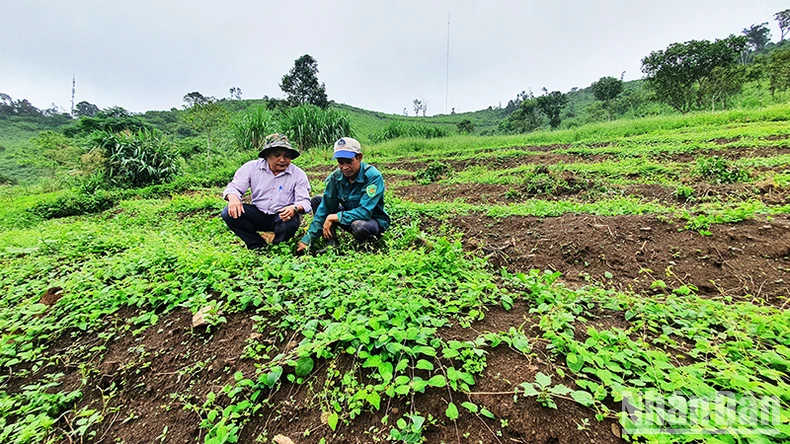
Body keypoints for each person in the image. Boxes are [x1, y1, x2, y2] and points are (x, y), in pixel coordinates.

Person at [296, 137, 390, 253]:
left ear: (359, 157)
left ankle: (366, 247)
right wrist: (308, 239)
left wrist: (335, 217)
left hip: (371, 221)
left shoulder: (372, 177)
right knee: (317, 201)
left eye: (349, 161)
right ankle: (332, 245)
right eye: (341, 162)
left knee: (359, 226)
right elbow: (325, 208)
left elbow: (365, 212)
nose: (345, 167)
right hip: (349, 217)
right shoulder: (336, 177)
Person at [221, 134, 311, 250]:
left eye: (287, 156)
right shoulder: (251, 168)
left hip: (281, 215)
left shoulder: (298, 174)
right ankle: (257, 244)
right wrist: (233, 198)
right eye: (277, 155)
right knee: (228, 213)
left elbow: (305, 202)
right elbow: (234, 187)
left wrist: (294, 208)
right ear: (267, 155)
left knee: (290, 222)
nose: (282, 160)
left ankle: (277, 245)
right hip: (258, 213)